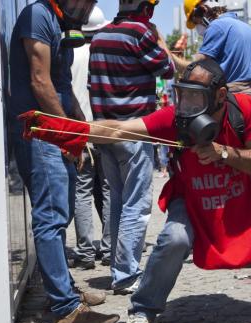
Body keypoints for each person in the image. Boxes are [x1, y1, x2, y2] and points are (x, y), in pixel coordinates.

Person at [21, 58, 251, 323]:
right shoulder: (177, 117)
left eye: (195, 96)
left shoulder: (243, 109)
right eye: (183, 94)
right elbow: (118, 131)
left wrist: (224, 153)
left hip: (240, 201)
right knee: (173, 240)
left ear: (220, 95)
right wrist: (64, 129)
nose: (186, 104)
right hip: (190, 201)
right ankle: (143, 309)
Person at [7, 0, 119, 323]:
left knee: (63, 209)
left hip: (55, 130)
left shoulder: (61, 22)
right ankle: (64, 306)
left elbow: (63, 85)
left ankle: (62, 289)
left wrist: (83, 129)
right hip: (39, 131)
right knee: (51, 215)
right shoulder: (38, 16)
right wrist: (68, 135)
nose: (92, 5)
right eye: (90, 1)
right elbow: (40, 82)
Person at [89, 0, 175, 295]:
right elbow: (167, 69)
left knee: (116, 200)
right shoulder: (141, 33)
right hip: (134, 131)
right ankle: (125, 274)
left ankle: (118, 267)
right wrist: (160, 39)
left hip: (105, 132)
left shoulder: (99, 36)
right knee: (135, 205)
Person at [68, 6, 112, 270]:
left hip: (77, 129)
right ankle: (108, 248)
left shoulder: (67, 53)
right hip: (103, 129)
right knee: (107, 189)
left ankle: (85, 251)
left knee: (82, 191)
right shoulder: (101, 53)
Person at [171, 0, 251, 95]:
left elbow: (194, 68)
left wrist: (169, 54)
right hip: (249, 95)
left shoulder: (216, 27)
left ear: (203, 9)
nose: (198, 28)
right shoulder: (244, 26)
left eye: (196, 22)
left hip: (232, 98)